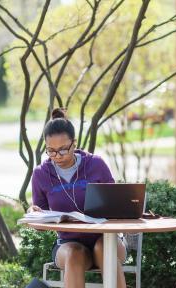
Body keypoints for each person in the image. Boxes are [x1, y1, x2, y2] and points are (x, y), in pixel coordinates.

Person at [27, 108, 126, 288]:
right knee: (74, 254)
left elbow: (116, 205)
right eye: (51, 151)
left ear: (74, 143)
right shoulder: (41, 174)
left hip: (107, 239)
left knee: (103, 249)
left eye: (63, 150)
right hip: (67, 242)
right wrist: (34, 212)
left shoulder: (96, 164)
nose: (57, 156)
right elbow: (40, 216)